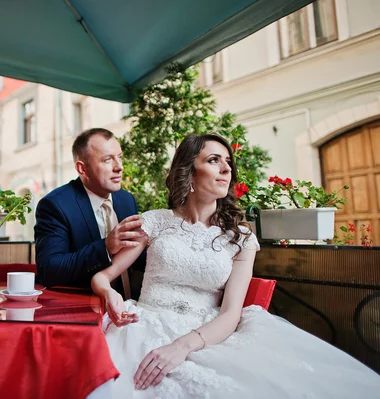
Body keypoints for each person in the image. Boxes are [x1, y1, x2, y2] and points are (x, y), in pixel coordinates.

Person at [91, 134, 380, 398]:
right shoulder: (153, 222)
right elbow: (103, 277)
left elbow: (230, 314)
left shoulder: (241, 239)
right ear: (189, 172)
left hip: (208, 335)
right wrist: (110, 294)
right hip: (143, 327)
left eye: (228, 162)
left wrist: (182, 346)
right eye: (214, 160)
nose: (226, 169)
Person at [34, 128, 146, 298]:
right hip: (84, 307)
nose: (119, 167)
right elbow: (49, 270)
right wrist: (106, 247)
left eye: (120, 157)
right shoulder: (55, 205)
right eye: (108, 160)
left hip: (132, 305)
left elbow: (135, 259)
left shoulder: (126, 200)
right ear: (82, 168)